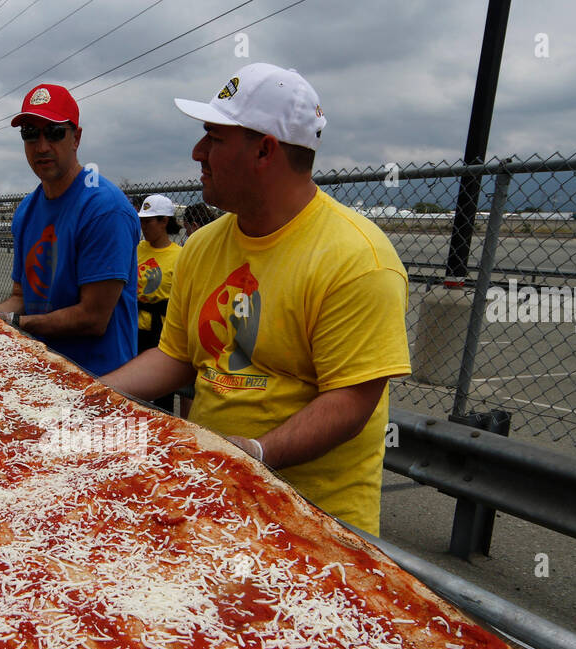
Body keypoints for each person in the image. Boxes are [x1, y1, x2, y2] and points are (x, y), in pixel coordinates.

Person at [103, 63, 411, 536]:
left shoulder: (357, 258)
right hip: (212, 494)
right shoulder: (205, 245)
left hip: (314, 523)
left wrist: (255, 455)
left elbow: (351, 401)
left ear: (265, 149)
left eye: (215, 137)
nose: (197, 152)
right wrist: (91, 394)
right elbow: (175, 357)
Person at [0, 84, 139, 377]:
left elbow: (93, 318)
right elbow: (21, 296)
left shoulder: (104, 208)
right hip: (43, 375)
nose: (42, 146)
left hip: (100, 384)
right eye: (30, 133)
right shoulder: (27, 210)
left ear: (76, 138)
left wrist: (14, 323)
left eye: (55, 132)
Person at [135, 193, 182, 355]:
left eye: (148, 222)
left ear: (164, 221)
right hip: (132, 327)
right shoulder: (136, 249)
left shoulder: (180, 256)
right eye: (141, 221)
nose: (143, 226)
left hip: (160, 333)